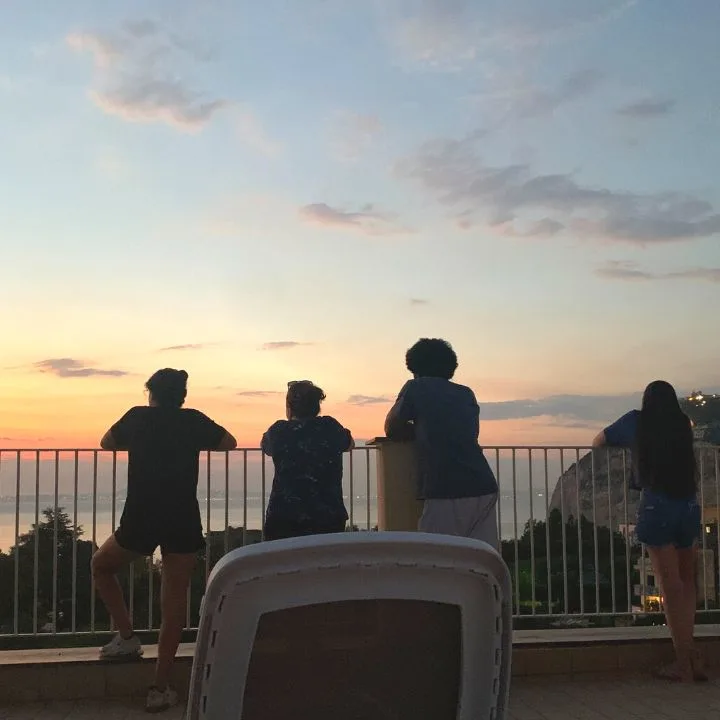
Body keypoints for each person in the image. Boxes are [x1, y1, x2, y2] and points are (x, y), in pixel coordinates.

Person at [92, 369, 236, 712]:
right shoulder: (192, 421)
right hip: (182, 517)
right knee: (173, 607)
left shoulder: (137, 417)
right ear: (182, 395)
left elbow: (106, 442)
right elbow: (229, 442)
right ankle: (159, 688)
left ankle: (127, 638)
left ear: (150, 392)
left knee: (100, 565)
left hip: (140, 516)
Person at [593, 380, 704, 683]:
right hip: (689, 505)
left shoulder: (636, 421)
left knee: (670, 586)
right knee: (687, 582)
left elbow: (598, 440)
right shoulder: (683, 424)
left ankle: (682, 661)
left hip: (658, 506)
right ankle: (692, 655)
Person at [384, 338, 499, 547]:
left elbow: (391, 428)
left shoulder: (415, 388)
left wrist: (417, 430)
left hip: (446, 487)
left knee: (435, 558)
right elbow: (468, 432)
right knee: (481, 559)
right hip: (484, 485)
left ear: (415, 368)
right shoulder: (466, 393)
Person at [261, 381, 353, 540]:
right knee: (326, 563)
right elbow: (349, 444)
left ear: (290, 407)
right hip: (327, 516)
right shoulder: (329, 427)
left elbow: (266, 447)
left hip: (284, 516)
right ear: (317, 406)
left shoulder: (279, 431)